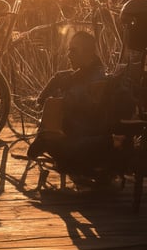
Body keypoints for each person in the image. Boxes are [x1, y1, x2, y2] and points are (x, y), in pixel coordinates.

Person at [27, 30, 136, 175]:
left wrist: (61, 95)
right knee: (53, 142)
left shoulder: (96, 80)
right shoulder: (80, 74)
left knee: (57, 146)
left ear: (88, 54)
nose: (69, 55)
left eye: (73, 51)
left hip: (87, 135)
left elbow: (78, 103)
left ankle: (111, 142)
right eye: (68, 50)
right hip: (81, 133)